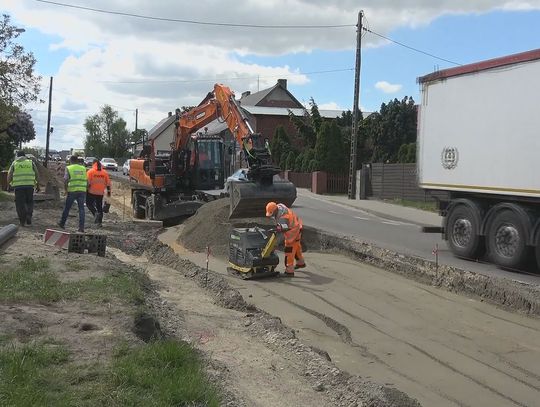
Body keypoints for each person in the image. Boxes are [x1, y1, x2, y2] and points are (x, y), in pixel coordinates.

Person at [265, 201, 306, 277]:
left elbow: (283, 229)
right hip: (298, 226)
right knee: (296, 246)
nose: (271, 216)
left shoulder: (283, 218)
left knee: (289, 250)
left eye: (272, 213)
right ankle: (301, 263)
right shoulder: (280, 207)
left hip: (293, 232)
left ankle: (289, 271)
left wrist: (276, 235)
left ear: (275, 210)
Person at [7, 151, 39, 226]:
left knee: (20, 204)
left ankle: (22, 220)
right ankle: (28, 215)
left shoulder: (15, 163)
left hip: (18, 187)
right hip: (30, 186)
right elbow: (37, 174)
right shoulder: (31, 162)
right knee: (29, 202)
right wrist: (37, 184)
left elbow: (9, 175)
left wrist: (9, 184)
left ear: (17, 156)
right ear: (25, 156)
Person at [58, 155, 87, 232]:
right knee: (81, 209)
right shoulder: (83, 168)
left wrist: (65, 190)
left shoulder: (69, 168)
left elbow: (66, 180)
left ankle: (62, 223)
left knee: (67, 208)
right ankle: (81, 227)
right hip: (82, 190)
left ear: (70, 161)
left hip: (72, 191)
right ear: (77, 161)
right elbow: (86, 179)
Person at [86, 158, 111, 227]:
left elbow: (88, 183)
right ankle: (99, 223)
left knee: (89, 204)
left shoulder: (90, 172)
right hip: (100, 193)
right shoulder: (104, 172)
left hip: (91, 192)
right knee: (99, 206)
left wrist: (86, 190)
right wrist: (109, 195)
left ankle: (95, 213)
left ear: (93, 164)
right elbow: (108, 184)